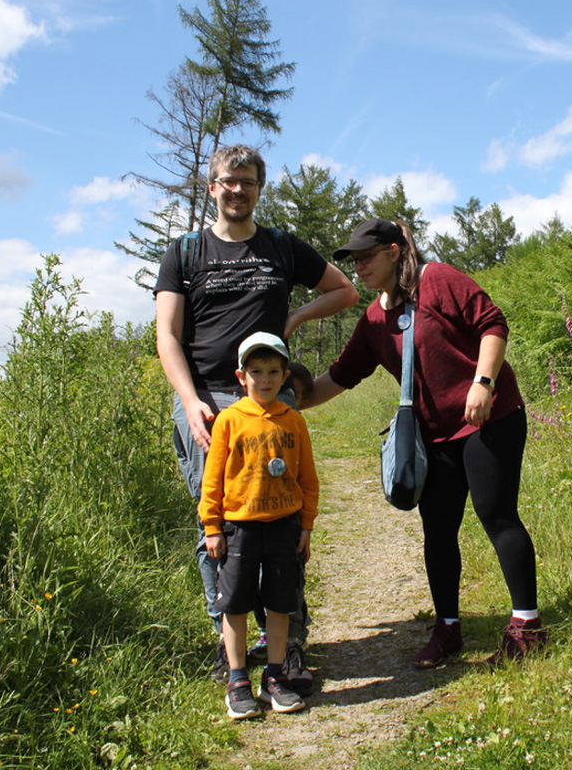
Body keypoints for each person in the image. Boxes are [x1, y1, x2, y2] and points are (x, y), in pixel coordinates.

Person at [153, 144, 358, 689]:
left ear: (259, 187)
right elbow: (167, 335)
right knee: (217, 525)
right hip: (209, 402)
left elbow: (345, 290)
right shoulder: (186, 253)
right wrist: (190, 398)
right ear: (211, 187)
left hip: (273, 403)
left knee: (283, 520)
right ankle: (233, 649)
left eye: (246, 181)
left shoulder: (281, 248)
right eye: (226, 181)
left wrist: (291, 320)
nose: (236, 189)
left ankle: (287, 650)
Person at [304, 218, 546, 667]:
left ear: (395, 251)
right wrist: (281, 400)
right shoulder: (375, 319)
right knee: (438, 530)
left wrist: (484, 382)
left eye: (366, 257)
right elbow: (338, 376)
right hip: (433, 436)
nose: (359, 267)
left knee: (497, 516)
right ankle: (447, 629)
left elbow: (492, 324)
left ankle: (527, 628)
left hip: (489, 418)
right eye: (353, 260)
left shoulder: (438, 280)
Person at [199, 332, 318, 719]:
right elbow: (213, 479)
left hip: (284, 526)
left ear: (285, 376)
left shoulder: (294, 421)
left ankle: (274, 676)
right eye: (255, 372)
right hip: (238, 529)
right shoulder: (229, 421)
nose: (264, 379)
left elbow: (307, 479)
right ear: (241, 376)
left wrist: (306, 525)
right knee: (234, 605)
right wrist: (212, 527)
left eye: (272, 371)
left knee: (281, 602)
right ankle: (237, 681)